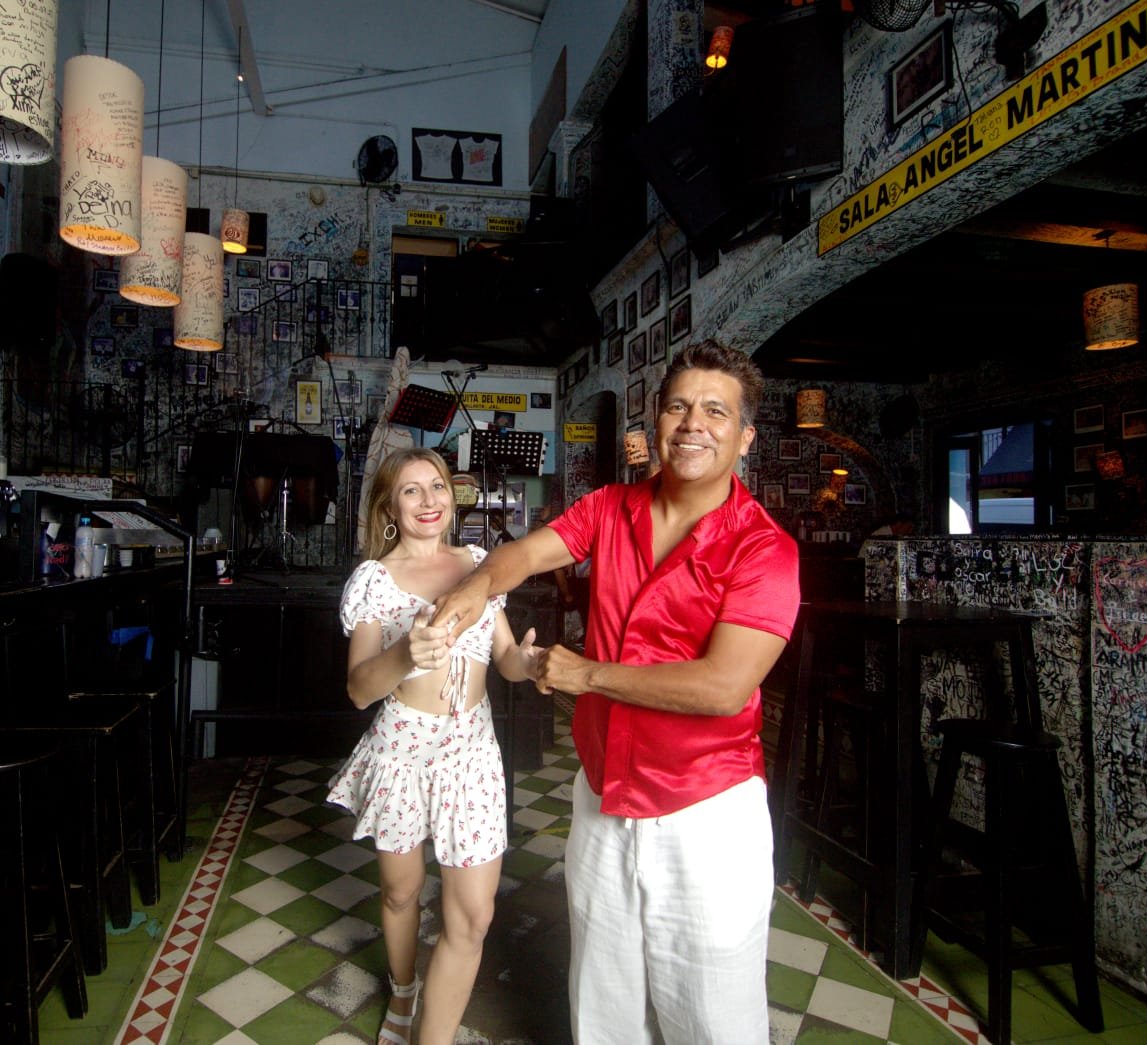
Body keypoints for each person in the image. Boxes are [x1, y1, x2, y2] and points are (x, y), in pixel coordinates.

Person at [430, 340, 801, 1043]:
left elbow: (723, 687)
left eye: (715, 411)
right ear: (656, 422)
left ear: (744, 436)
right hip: (603, 796)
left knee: (714, 1019)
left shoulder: (764, 548)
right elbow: (528, 551)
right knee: (602, 1003)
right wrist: (477, 586)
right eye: (678, 406)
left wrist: (585, 674)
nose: (693, 423)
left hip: (706, 813)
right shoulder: (611, 507)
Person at [327, 446, 543, 1045]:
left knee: (472, 916)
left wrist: (527, 663)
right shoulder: (374, 580)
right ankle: (402, 989)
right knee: (401, 893)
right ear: (390, 507)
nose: (429, 500)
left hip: (471, 755)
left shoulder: (479, 564)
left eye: (438, 487)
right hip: (400, 754)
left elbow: (503, 657)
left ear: (454, 498)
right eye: (412, 490)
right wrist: (403, 655)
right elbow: (358, 691)